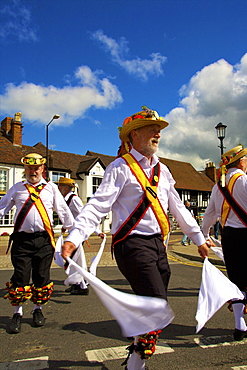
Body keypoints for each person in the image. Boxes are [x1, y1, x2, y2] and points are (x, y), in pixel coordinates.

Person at [61, 107, 209, 369]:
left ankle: (136, 350)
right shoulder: (120, 168)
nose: (158, 134)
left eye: (159, 130)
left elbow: (178, 208)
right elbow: (97, 206)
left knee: (155, 304)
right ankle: (135, 365)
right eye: (152, 129)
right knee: (155, 305)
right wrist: (74, 237)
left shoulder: (164, 171)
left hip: (157, 245)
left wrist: (199, 239)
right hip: (131, 244)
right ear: (135, 135)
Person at [0, 153, 74, 334]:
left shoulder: (51, 188)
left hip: (44, 240)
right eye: (30, 168)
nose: (33, 171)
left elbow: (63, 210)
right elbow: (2, 207)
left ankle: (37, 310)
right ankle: (17, 313)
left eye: (36, 168)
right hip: (21, 240)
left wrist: (73, 230)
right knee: (20, 277)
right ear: (26, 170)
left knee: (42, 276)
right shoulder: (17, 188)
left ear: (42, 169)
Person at [201, 145, 247, 341]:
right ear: (242, 162)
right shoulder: (244, 181)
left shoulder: (217, 186)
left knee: (237, 281)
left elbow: (210, 215)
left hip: (229, 238)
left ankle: (239, 325)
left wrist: (202, 236)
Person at [58, 177, 104, 295]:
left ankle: (82, 286)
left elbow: (85, 216)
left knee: (74, 260)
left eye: (60, 186)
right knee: (74, 260)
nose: (59, 188)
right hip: (73, 234)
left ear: (66, 188)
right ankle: (76, 284)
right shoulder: (66, 199)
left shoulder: (74, 199)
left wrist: (97, 232)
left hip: (77, 235)